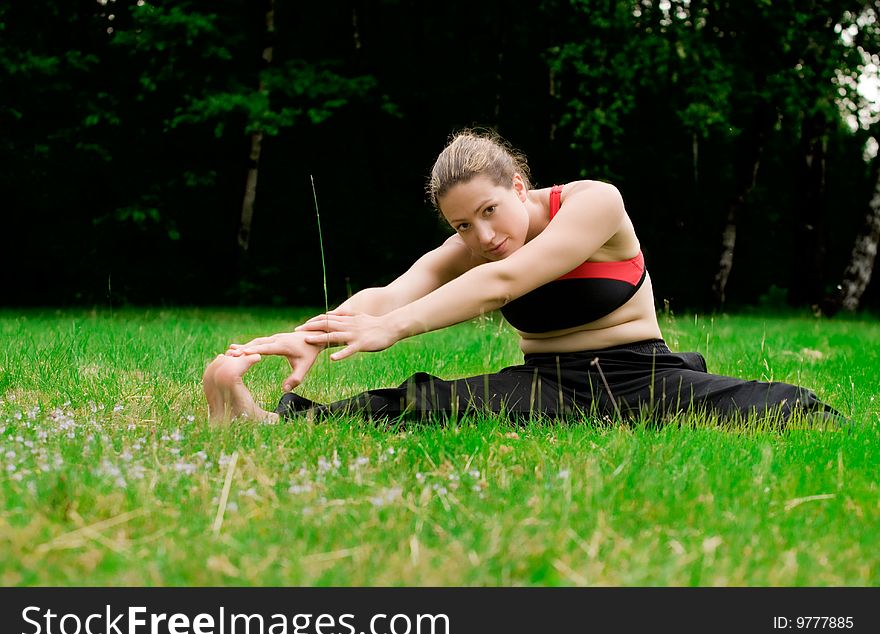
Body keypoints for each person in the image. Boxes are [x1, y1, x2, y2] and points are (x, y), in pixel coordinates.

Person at [202, 129, 838, 426]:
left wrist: (392, 329)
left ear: (517, 185)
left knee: (796, 412)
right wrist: (305, 336)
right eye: (461, 227)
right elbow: (393, 292)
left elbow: (504, 283)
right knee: (426, 404)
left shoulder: (595, 203)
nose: (481, 237)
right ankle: (271, 421)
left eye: (488, 211)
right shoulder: (474, 244)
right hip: (547, 385)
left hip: (642, 374)